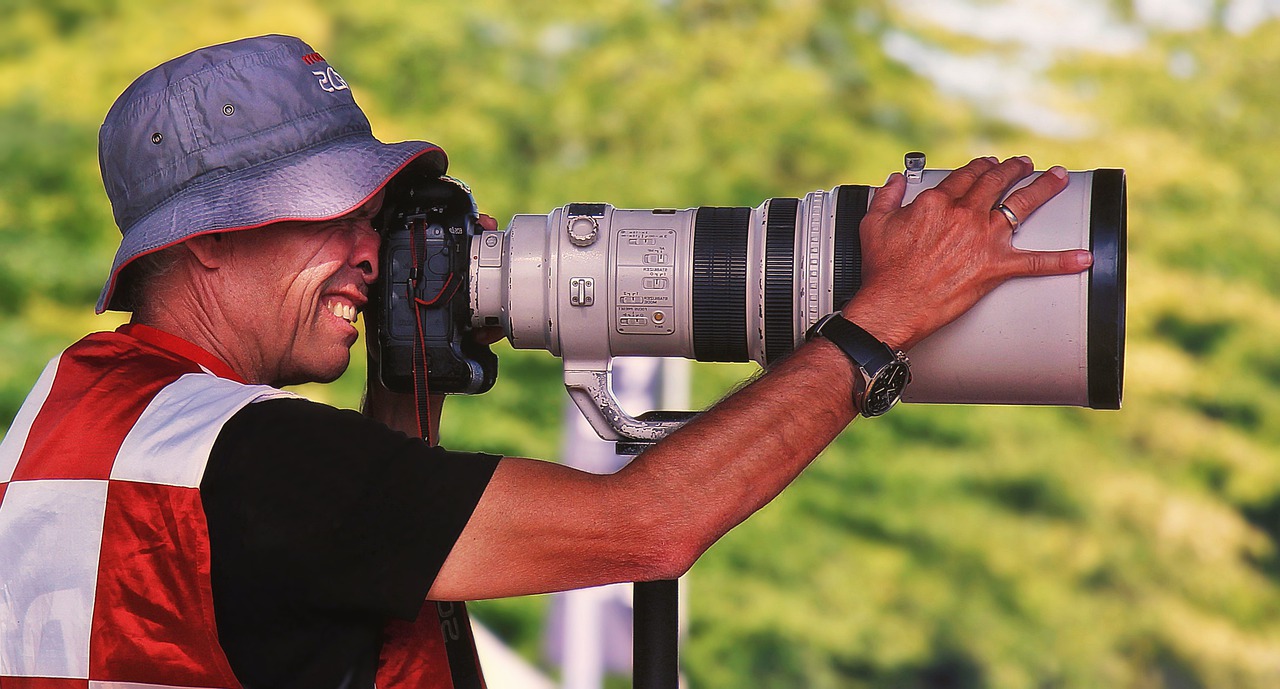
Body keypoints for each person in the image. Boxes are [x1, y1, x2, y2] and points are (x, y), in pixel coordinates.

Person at [0, 34, 1092, 689]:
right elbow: (648, 528)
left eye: (376, 217)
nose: (370, 252)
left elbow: (275, 605)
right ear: (208, 241)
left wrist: (404, 401)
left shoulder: (72, 416)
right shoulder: (261, 458)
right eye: (332, 217)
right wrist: (876, 321)